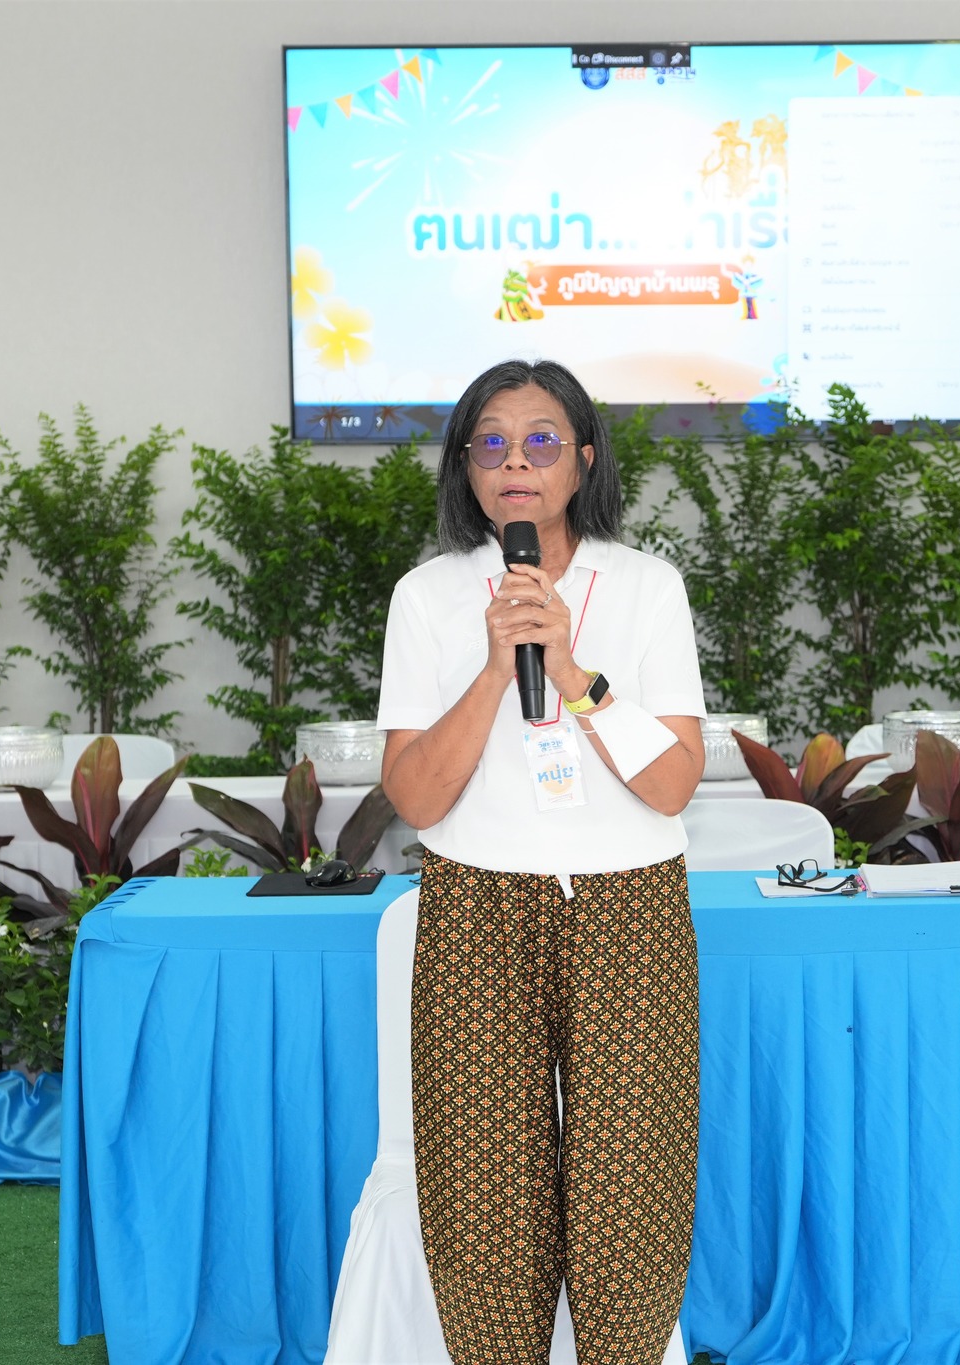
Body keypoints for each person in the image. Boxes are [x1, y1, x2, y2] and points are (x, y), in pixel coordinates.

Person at [377, 358, 707, 1363]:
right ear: (465, 467)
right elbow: (416, 797)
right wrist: (495, 668)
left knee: (631, 1189)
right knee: (481, 1193)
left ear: (584, 460)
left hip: (629, 907)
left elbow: (673, 783)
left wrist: (571, 672)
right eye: (491, 443)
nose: (514, 462)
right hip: (476, 906)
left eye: (540, 441)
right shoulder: (428, 597)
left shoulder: (646, 587)